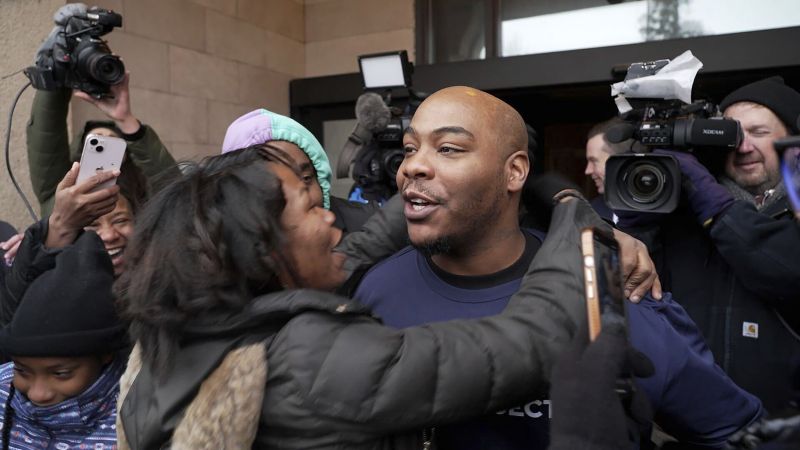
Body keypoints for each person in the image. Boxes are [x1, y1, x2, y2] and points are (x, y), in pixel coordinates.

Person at [114, 144, 614, 449]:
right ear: (264, 251)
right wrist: (574, 216)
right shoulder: (312, 360)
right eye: (310, 207)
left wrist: (418, 181)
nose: (331, 215)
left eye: (447, 149)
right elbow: (532, 338)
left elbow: (362, 245)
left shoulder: (185, 335)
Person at [354, 86, 763, 449]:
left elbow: (737, 433)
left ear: (514, 171)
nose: (412, 166)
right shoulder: (378, 290)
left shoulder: (610, 290)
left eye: (447, 148)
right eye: (410, 148)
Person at [616, 76, 800, 412]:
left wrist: (716, 207)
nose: (743, 146)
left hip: (782, 423)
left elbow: (785, 268)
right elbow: (639, 297)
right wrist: (638, 225)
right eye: (733, 134)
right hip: (692, 421)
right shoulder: (686, 213)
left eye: (759, 132)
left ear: (792, 142)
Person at [0, 231, 128, 450]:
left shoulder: (132, 417)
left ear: (105, 355)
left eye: (61, 374)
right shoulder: (3, 390)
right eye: (22, 371)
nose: (38, 394)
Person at [26, 72, 175, 218]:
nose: (104, 145)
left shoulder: (143, 199)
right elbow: (46, 137)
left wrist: (127, 121)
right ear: (81, 152)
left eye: (120, 221)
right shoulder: (60, 194)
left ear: (125, 155)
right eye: (96, 140)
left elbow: (173, 192)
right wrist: (56, 73)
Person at [222, 108, 380, 233]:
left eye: (306, 178)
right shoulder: (222, 250)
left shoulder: (370, 227)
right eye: (277, 186)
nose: (305, 198)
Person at [584, 117, 635, 221]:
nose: (587, 171)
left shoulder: (661, 212)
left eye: (594, 161)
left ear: (620, 163)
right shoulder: (593, 212)